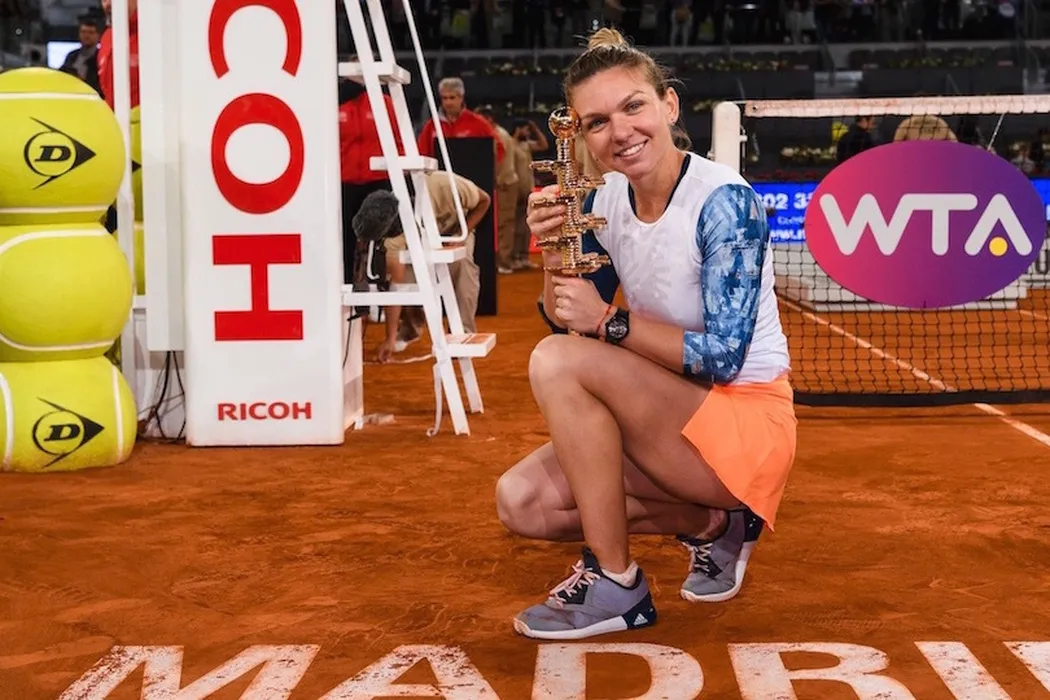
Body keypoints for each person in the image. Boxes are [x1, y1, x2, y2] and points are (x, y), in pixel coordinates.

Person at [494, 27, 796, 640]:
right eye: (597, 121)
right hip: (668, 412)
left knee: (556, 361)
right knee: (521, 502)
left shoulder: (723, 202)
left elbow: (724, 357)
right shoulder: (606, 200)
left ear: (669, 105)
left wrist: (608, 321)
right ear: (583, 136)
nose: (620, 131)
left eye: (633, 106)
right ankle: (715, 526)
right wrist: (553, 249)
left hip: (744, 423)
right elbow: (566, 320)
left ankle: (616, 582)